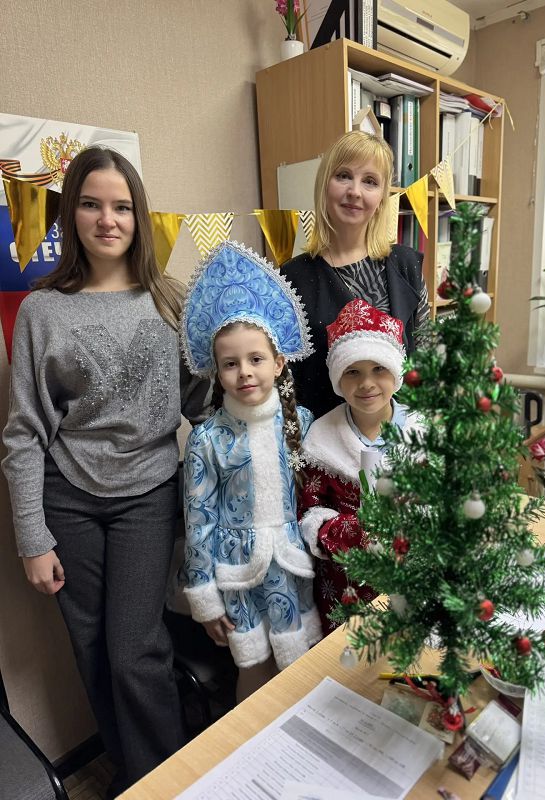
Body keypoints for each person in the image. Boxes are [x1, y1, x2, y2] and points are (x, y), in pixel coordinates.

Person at [1, 147, 207, 796]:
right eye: (91, 204)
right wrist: (32, 537)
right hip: (67, 500)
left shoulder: (171, 301)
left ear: (140, 216)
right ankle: (131, 772)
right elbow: (24, 431)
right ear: (70, 213)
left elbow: (205, 403)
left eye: (121, 206)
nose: (107, 219)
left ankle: (167, 781)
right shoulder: (41, 311)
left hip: (148, 496)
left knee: (135, 651)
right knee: (90, 649)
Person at [179, 241, 321, 702]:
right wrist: (203, 596)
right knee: (253, 668)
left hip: (292, 568)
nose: (244, 372)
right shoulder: (207, 440)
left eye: (256, 359)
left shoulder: (303, 423)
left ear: (278, 363)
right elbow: (198, 520)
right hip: (236, 572)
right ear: (216, 372)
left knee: (299, 665)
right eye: (230, 363)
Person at [280, 130, 428, 419]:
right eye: (343, 176)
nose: (355, 191)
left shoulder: (406, 265)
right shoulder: (291, 278)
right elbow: (286, 380)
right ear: (325, 184)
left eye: (370, 181)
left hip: (400, 433)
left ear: (382, 198)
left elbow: (426, 358)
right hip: (324, 437)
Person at [298, 299, 421, 635]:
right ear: (338, 378)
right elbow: (310, 513)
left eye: (379, 369)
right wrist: (352, 531)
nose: (367, 383)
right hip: (346, 585)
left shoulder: (422, 431)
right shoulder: (322, 438)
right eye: (353, 371)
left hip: (411, 576)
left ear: (395, 373)